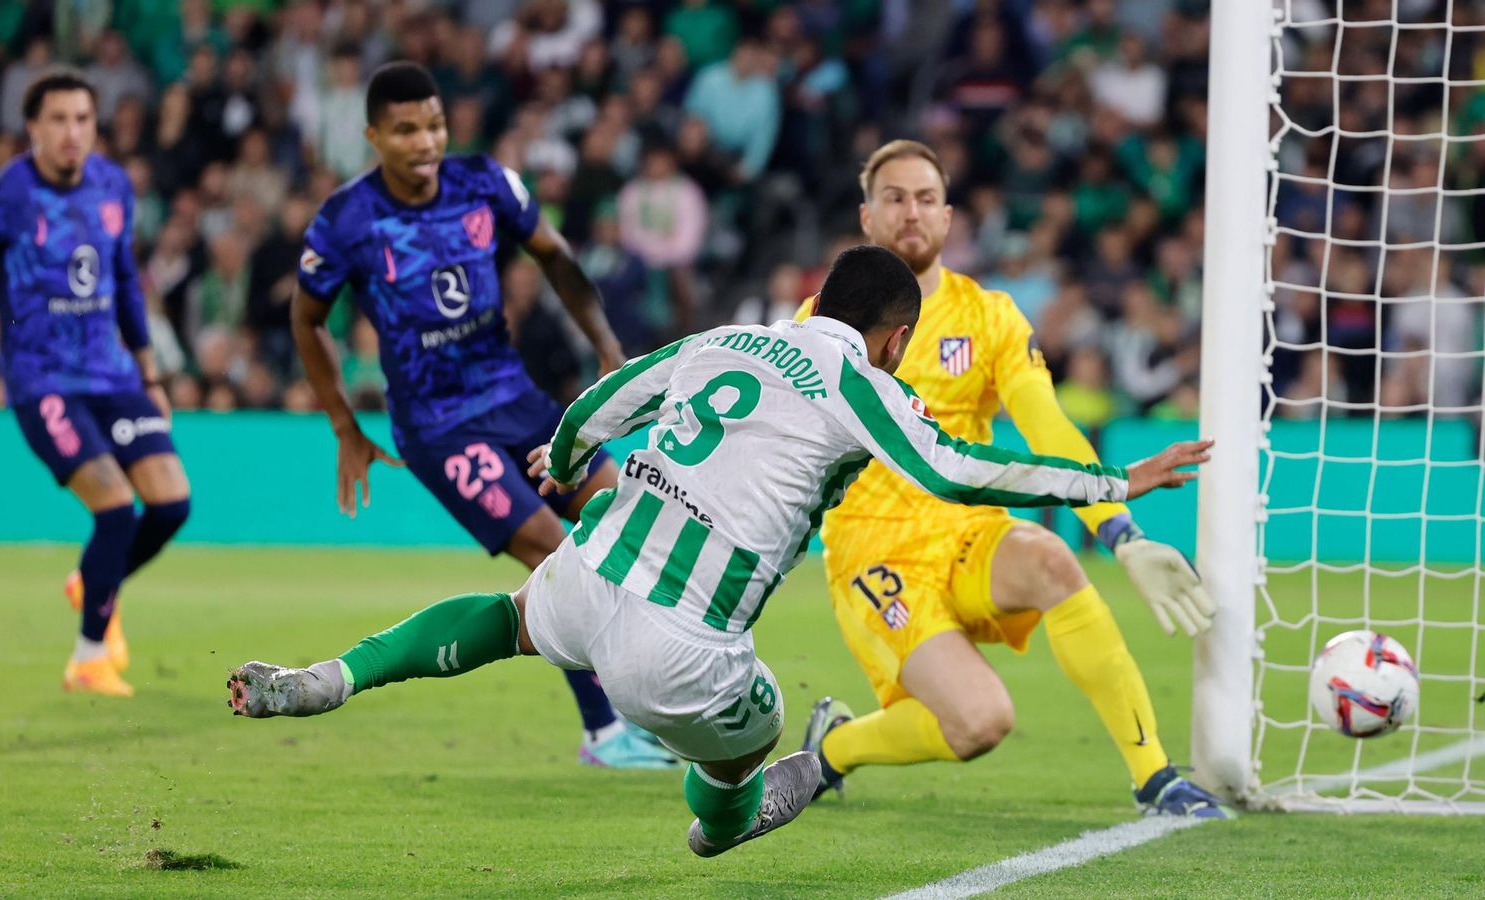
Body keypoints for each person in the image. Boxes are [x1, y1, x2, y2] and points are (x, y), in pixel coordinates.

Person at [227, 245, 1212, 856]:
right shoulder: (863, 383)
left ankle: (335, 677)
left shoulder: (723, 340)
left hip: (594, 563)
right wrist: (1113, 484)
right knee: (751, 745)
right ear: (894, 335)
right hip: (682, 647)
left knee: (512, 619)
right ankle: (723, 824)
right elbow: (953, 467)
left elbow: (596, 409)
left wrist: (565, 462)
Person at [794, 140, 1226, 817]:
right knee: (979, 724)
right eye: (894, 198)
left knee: (1053, 559)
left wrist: (1123, 534)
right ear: (867, 218)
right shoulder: (825, 322)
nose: (912, 212)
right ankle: (834, 750)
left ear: (949, 216)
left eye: (927, 198)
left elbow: (1046, 425)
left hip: (968, 529)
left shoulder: (990, 316)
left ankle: (1155, 775)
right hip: (874, 549)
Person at [290, 61, 671, 769]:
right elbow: (305, 317)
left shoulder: (486, 183)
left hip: (519, 400)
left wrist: (611, 356)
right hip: (440, 427)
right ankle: (603, 733)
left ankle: (645, 705)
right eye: (405, 130)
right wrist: (346, 426)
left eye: (433, 124)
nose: (425, 141)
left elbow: (556, 259)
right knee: (555, 555)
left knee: (628, 518)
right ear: (374, 135)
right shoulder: (347, 220)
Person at [0, 70, 191, 698]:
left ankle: (90, 582)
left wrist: (149, 371)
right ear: (32, 127)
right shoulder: (5, 195)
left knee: (172, 504)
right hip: (43, 382)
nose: (72, 132)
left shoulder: (113, 186)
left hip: (113, 374)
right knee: (116, 509)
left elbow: (124, 281)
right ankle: (89, 659)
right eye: (58, 119)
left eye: (83, 119)